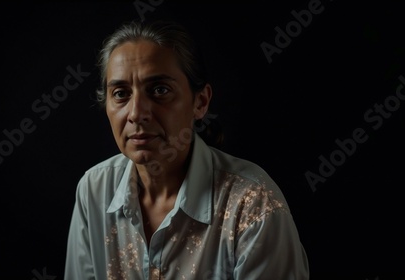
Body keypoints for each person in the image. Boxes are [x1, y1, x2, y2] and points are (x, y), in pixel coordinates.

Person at [64, 19, 310, 280]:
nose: (136, 113)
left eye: (159, 90)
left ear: (200, 102)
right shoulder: (94, 189)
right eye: (121, 93)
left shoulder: (252, 203)